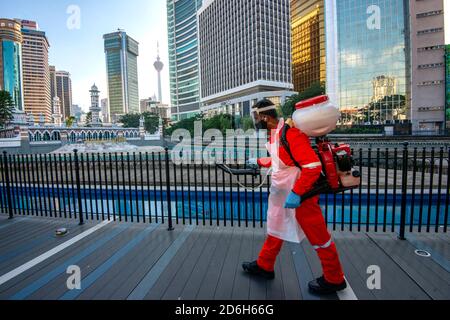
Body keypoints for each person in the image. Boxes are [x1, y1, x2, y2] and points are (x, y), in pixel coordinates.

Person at [242, 99, 347, 295]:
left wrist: (297, 193)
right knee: (276, 226)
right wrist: (258, 161)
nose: (256, 121)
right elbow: (282, 160)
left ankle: (334, 278)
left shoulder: (291, 134)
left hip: (300, 193)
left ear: (264, 117)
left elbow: (312, 166)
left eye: (256, 117)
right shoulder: (276, 133)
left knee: (318, 235)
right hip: (283, 191)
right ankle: (265, 265)